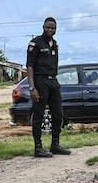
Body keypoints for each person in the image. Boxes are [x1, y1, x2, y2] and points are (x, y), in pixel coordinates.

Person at [26, 17, 70, 157]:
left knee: (58, 114)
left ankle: (55, 145)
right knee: (39, 114)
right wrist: (32, 87)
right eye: (48, 27)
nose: (50, 30)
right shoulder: (36, 43)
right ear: (43, 27)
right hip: (40, 81)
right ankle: (38, 148)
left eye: (53, 28)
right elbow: (30, 66)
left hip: (53, 81)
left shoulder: (55, 44)